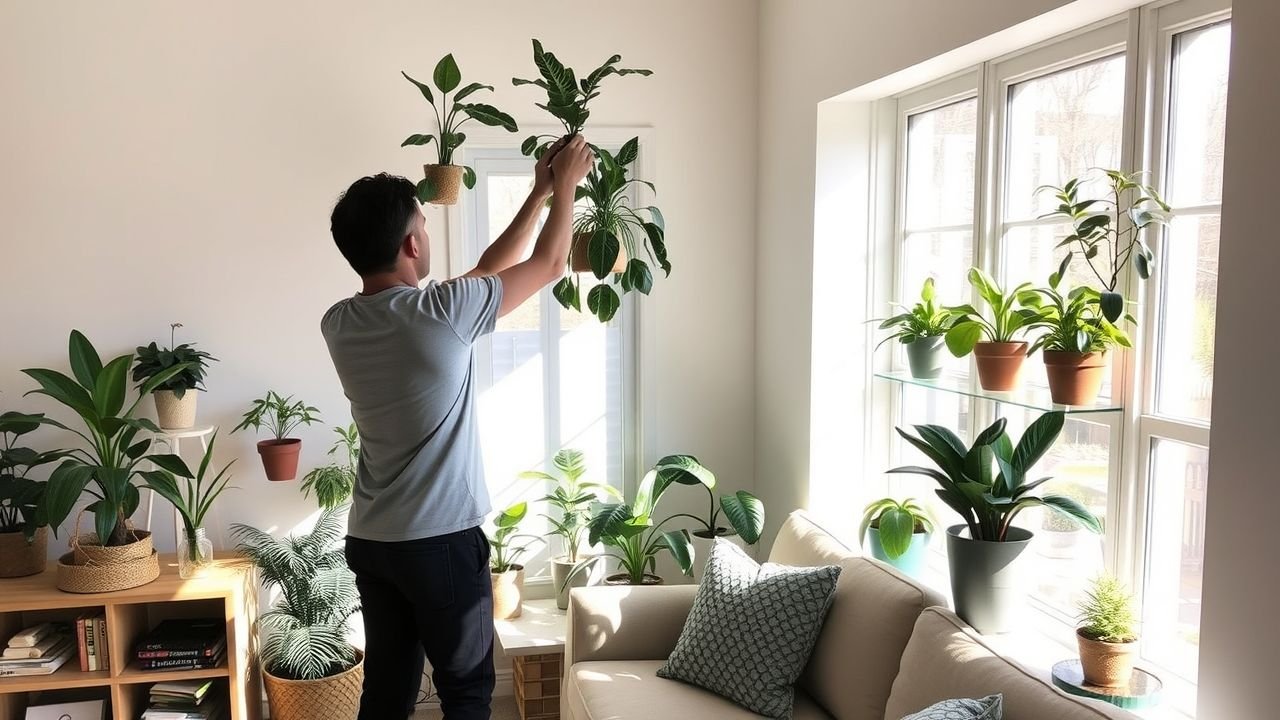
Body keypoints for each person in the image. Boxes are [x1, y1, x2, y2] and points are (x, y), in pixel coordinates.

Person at [321, 135, 594, 720]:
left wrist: (539, 194)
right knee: (466, 691)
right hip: (440, 542)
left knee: (388, 691)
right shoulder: (442, 312)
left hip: (373, 540)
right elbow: (547, 264)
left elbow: (485, 272)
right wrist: (566, 183)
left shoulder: (341, 323)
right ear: (414, 242)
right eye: (423, 221)